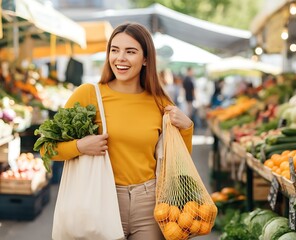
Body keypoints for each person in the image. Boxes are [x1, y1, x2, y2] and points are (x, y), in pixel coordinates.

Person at [42, 22, 193, 240]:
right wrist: (80, 146)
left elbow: (177, 162)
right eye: (114, 50)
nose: (120, 58)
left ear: (145, 59)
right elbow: (47, 148)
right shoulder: (88, 95)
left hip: (149, 204)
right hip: (99, 200)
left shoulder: (160, 102)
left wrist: (187, 128)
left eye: (130, 51)